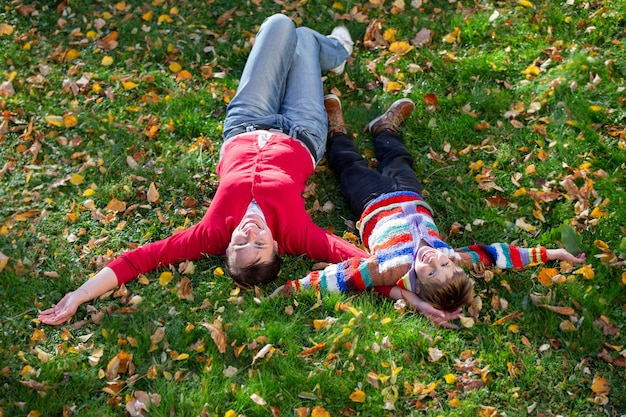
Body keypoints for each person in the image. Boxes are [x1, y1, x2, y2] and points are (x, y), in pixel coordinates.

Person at [39, 14, 368, 326]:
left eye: (240, 245)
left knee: (280, 25)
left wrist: (79, 295)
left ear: (226, 248)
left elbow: (141, 258)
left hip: (246, 122)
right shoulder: (296, 232)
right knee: (303, 41)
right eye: (260, 244)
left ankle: (319, 52)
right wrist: (413, 292)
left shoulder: (210, 232)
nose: (250, 234)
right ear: (277, 246)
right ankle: (334, 53)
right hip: (302, 131)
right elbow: (366, 264)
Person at [274, 95, 586, 328]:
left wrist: (292, 289)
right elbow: (499, 255)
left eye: (431, 271)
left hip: (370, 201)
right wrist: (555, 253)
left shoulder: (391, 269)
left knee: (348, 165)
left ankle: (337, 131)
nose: (434, 260)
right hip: (409, 193)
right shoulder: (452, 256)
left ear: (418, 284)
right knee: (398, 157)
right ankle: (383, 127)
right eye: (444, 265)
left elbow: (341, 277)